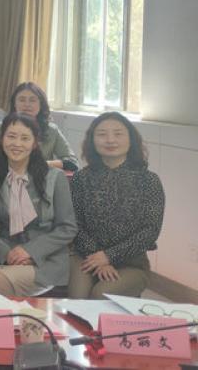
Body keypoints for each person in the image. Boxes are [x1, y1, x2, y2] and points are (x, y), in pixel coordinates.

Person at [0, 114, 77, 296]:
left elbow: (67, 228)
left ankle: (23, 316)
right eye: (11, 136)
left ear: (35, 143)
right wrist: (8, 255)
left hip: (45, 259)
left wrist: (30, 252)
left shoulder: (54, 178)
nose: (17, 143)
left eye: (25, 138)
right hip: (4, 257)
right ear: (2, 140)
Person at [69, 112, 164, 299]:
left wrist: (108, 256)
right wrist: (98, 257)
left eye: (118, 133)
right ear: (92, 140)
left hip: (131, 262)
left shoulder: (149, 180)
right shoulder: (81, 178)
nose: (110, 140)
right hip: (86, 256)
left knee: (102, 294)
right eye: (102, 134)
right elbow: (74, 223)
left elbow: (150, 231)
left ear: (131, 139)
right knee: (78, 297)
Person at [0, 82, 79, 171]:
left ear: (41, 104)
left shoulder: (51, 130)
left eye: (32, 100)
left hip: (41, 179)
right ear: (14, 104)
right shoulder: (1, 127)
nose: (27, 104)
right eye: (22, 100)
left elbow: (72, 162)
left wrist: (41, 164)